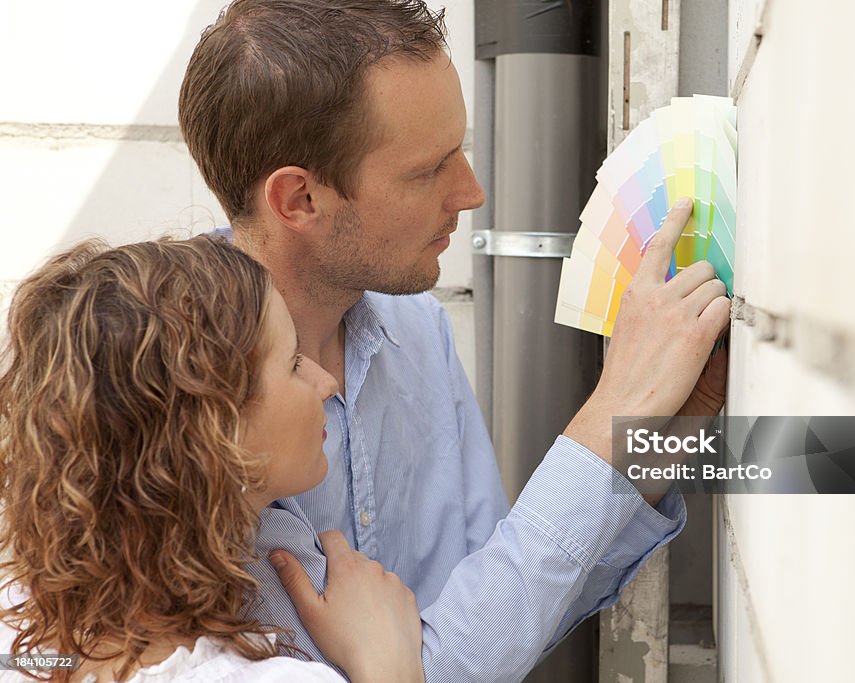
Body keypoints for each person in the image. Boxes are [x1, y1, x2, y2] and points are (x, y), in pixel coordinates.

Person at [178, 1, 731, 679]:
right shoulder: (176, 383)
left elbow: (509, 605)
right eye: (426, 170)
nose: (471, 193)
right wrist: (606, 414)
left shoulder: (414, 326)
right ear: (298, 200)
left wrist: (659, 434)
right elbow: (432, 667)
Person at [0, 237, 424, 683]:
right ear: (216, 434)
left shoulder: (24, 638)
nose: (327, 381)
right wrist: (388, 663)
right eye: (294, 361)